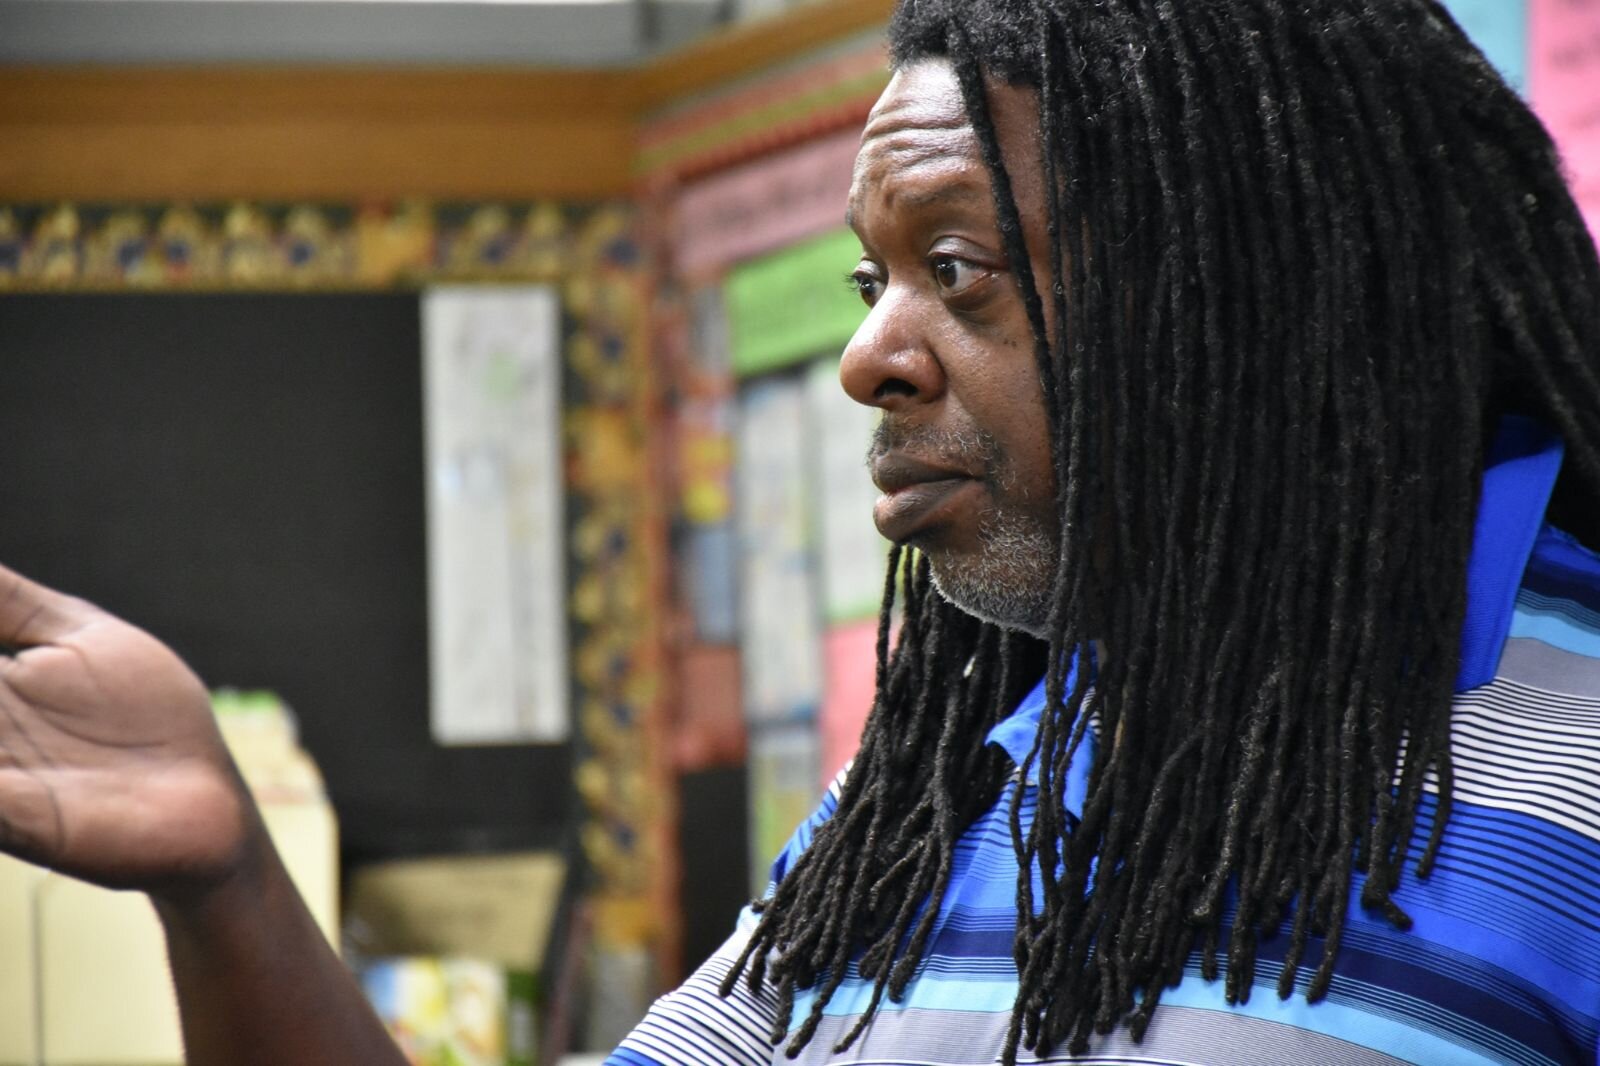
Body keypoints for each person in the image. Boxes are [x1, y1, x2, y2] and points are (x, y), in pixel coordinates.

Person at [3, 0, 1599, 1063]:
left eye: (958, 270)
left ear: (1243, 293)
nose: (870, 355)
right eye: (870, 281)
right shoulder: (923, 794)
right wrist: (229, 880)